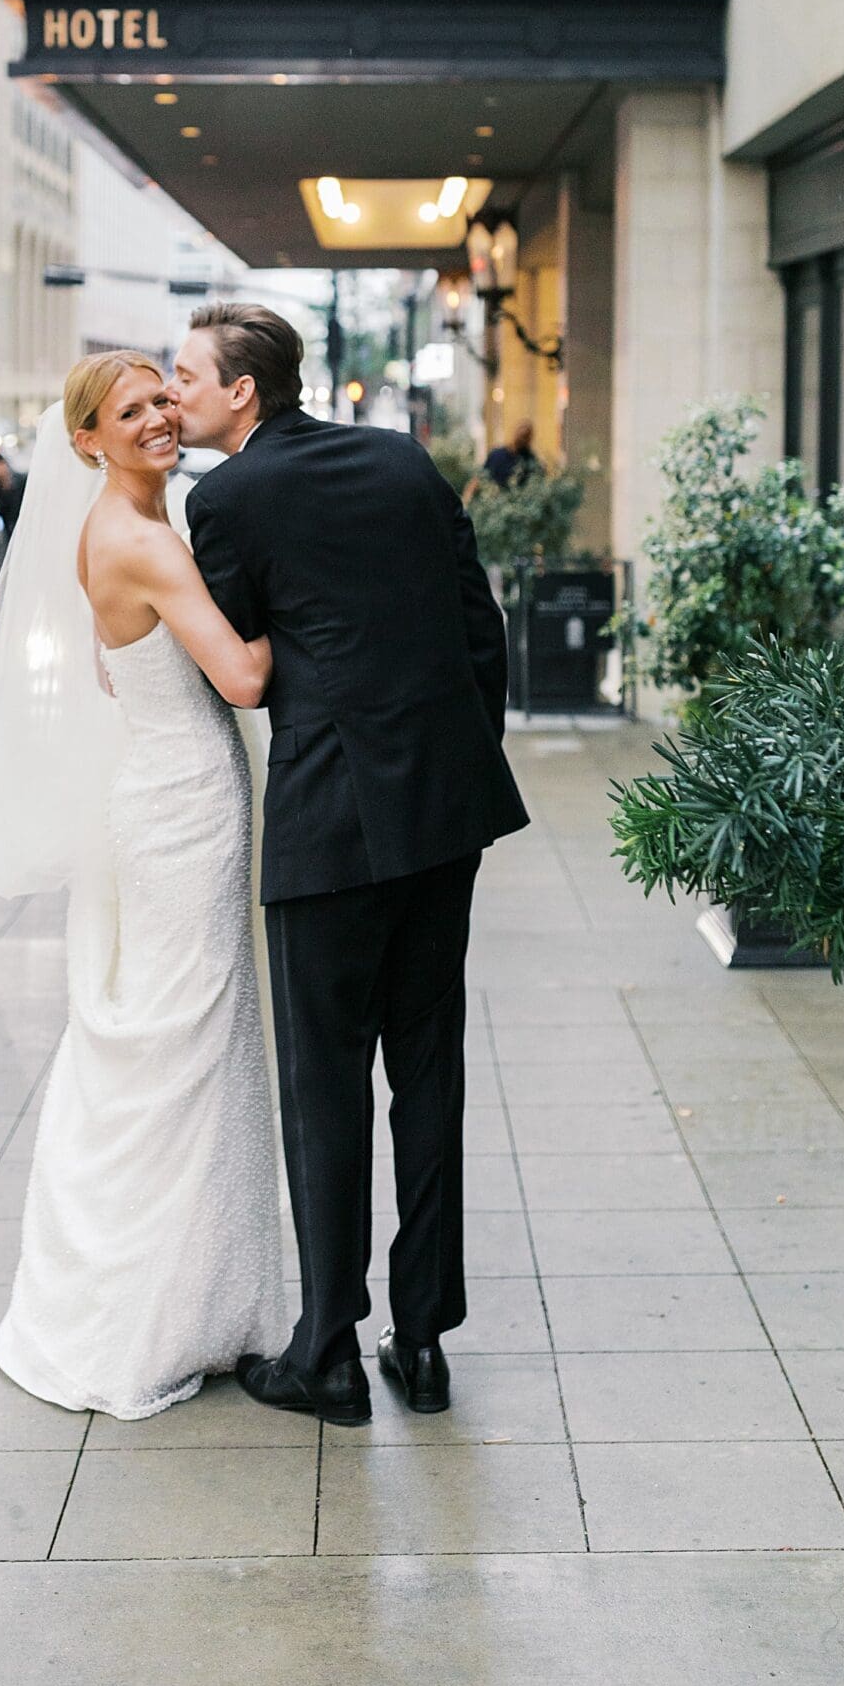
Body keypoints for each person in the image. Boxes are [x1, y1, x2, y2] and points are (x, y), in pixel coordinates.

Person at [172, 300, 529, 1426]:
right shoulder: (403, 461)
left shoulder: (225, 497)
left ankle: (325, 1351)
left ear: (244, 389)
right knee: (427, 1070)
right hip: (444, 811)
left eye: (187, 376)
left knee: (324, 1085)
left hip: (330, 823)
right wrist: (455, 765)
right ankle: (419, 1342)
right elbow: (483, 632)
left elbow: (237, 659)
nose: (175, 393)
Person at [0, 353, 285, 1419]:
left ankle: (197, 1293)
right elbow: (240, 677)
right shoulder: (139, 535)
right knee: (186, 1040)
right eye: (128, 411)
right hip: (185, 806)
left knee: (177, 1034)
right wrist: (318, 606)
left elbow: (111, 665)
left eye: (159, 401)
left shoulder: (125, 524)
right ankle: (157, 1309)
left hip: (162, 789)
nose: (155, 420)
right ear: (87, 438)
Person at [482, 419, 541, 494]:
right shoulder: (496, 455)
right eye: (521, 435)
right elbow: (479, 477)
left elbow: (538, 479)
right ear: (515, 433)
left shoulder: (530, 460)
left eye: (525, 436)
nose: (522, 439)